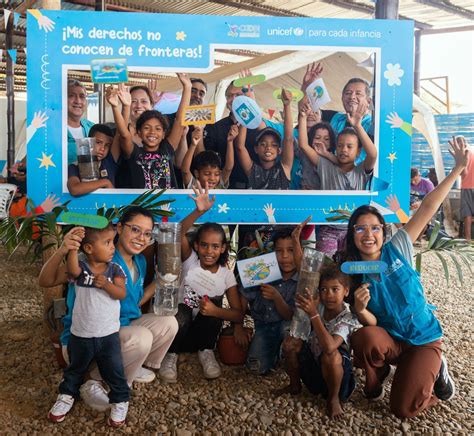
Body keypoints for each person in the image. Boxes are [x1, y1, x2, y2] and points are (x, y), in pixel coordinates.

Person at [340, 136, 467, 418]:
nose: (368, 235)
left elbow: (428, 207)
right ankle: (380, 375)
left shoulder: (398, 248)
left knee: (402, 409)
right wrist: (360, 310)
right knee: (363, 338)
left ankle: (436, 371)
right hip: (393, 341)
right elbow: (371, 323)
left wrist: (457, 169)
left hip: (423, 338)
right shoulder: (352, 272)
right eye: (360, 229)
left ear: (383, 233)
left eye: (374, 228)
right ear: (352, 235)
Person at [39, 207, 178, 411]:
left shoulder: (139, 261)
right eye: (135, 230)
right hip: (86, 340)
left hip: (119, 331)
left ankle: (127, 366)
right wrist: (62, 249)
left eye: (147, 233)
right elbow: (46, 280)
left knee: (169, 323)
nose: (141, 238)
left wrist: (161, 280)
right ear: (119, 228)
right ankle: (92, 380)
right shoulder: (93, 259)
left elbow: (134, 301)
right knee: (141, 337)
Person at [41, 225, 130, 427]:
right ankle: (66, 396)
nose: (112, 247)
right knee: (74, 370)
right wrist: (71, 247)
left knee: (115, 371)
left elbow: (121, 294)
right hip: (79, 335)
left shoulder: (115, 268)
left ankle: (120, 399)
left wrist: (107, 285)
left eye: (112, 241)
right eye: (107, 242)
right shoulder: (80, 268)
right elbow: (71, 270)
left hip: (108, 336)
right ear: (88, 248)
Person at [159, 183, 243, 382]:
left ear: (223, 248)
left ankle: (206, 351)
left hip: (202, 334)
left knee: (212, 311)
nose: (209, 251)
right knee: (182, 311)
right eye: (204, 245)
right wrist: (198, 211)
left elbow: (238, 314)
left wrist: (216, 312)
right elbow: (177, 232)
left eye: (215, 246)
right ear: (196, 245)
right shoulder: (190, 260)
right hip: (178, 331)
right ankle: (170, 355)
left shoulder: (226, 275)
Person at [286, 264, 367, 419]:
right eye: (324, 289)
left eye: (335, 289)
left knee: (331, 355)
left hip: (339, 380)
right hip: (315, 374)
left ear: (346, 291)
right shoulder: (319, 306)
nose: (328, 294)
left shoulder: (348, 317)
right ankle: (294, 385)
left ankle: (333, 398)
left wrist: (313, 314)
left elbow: (330, 347)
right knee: (291, 343)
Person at [234, 227, 297, 375]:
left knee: (287, 331)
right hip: (264, 327)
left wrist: (276, 297)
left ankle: (285, 352)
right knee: (256, 368)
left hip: (287, 326)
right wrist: (238, 326)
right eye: (279, 251)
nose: (285, 256)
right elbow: (243, 296)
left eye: (291, 250)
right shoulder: (263, 269)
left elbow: (290, 316)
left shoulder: (302, 278)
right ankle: (273, 352)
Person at [115, 73, 192, 189]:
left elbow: (179, 120)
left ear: (164, 134)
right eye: (146, 128)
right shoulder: (135, 153)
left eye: (158, 129)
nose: (152, 132)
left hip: (168, 207)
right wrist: (121, 107)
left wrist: (187, 88)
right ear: (139, 132)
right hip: (141, 206)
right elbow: (124, 135)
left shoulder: (166, 149)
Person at [236, 89, 294, 190]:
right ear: (256, 149)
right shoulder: (252, 170)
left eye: (274, 145)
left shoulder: (284, 169)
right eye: (263, 144)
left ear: (279, 150)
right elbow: (240, 147)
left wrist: (287, 105)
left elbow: (288, 139)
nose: (268, 148)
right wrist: (245, 114)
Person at [67, 123, 118, 195]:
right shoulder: (75, 166)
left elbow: (121, 133)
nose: (102, 148)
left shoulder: (109, 162)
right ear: (88, 142)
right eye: (98, 142)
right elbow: (74, 189)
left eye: (107, 145)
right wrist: (105, 182)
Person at [180, 124, 235, 189]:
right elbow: (185, 171)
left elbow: (228, 168)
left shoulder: (219, 185)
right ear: (196, 173)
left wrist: (230, 141)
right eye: (207, 174)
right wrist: (193, 145)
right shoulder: (194, 185)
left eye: (216, 174)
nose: (212, 178)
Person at [67, 79, 95, 165]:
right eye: (72, 95)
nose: (78, 101)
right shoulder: (52, 129)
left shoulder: (92, 127)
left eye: (82, 96)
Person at [460, 137, 473, 240]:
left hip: (467, 186)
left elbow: (464, 173)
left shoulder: (463, 153)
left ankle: (467, 240)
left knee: (467, 213)